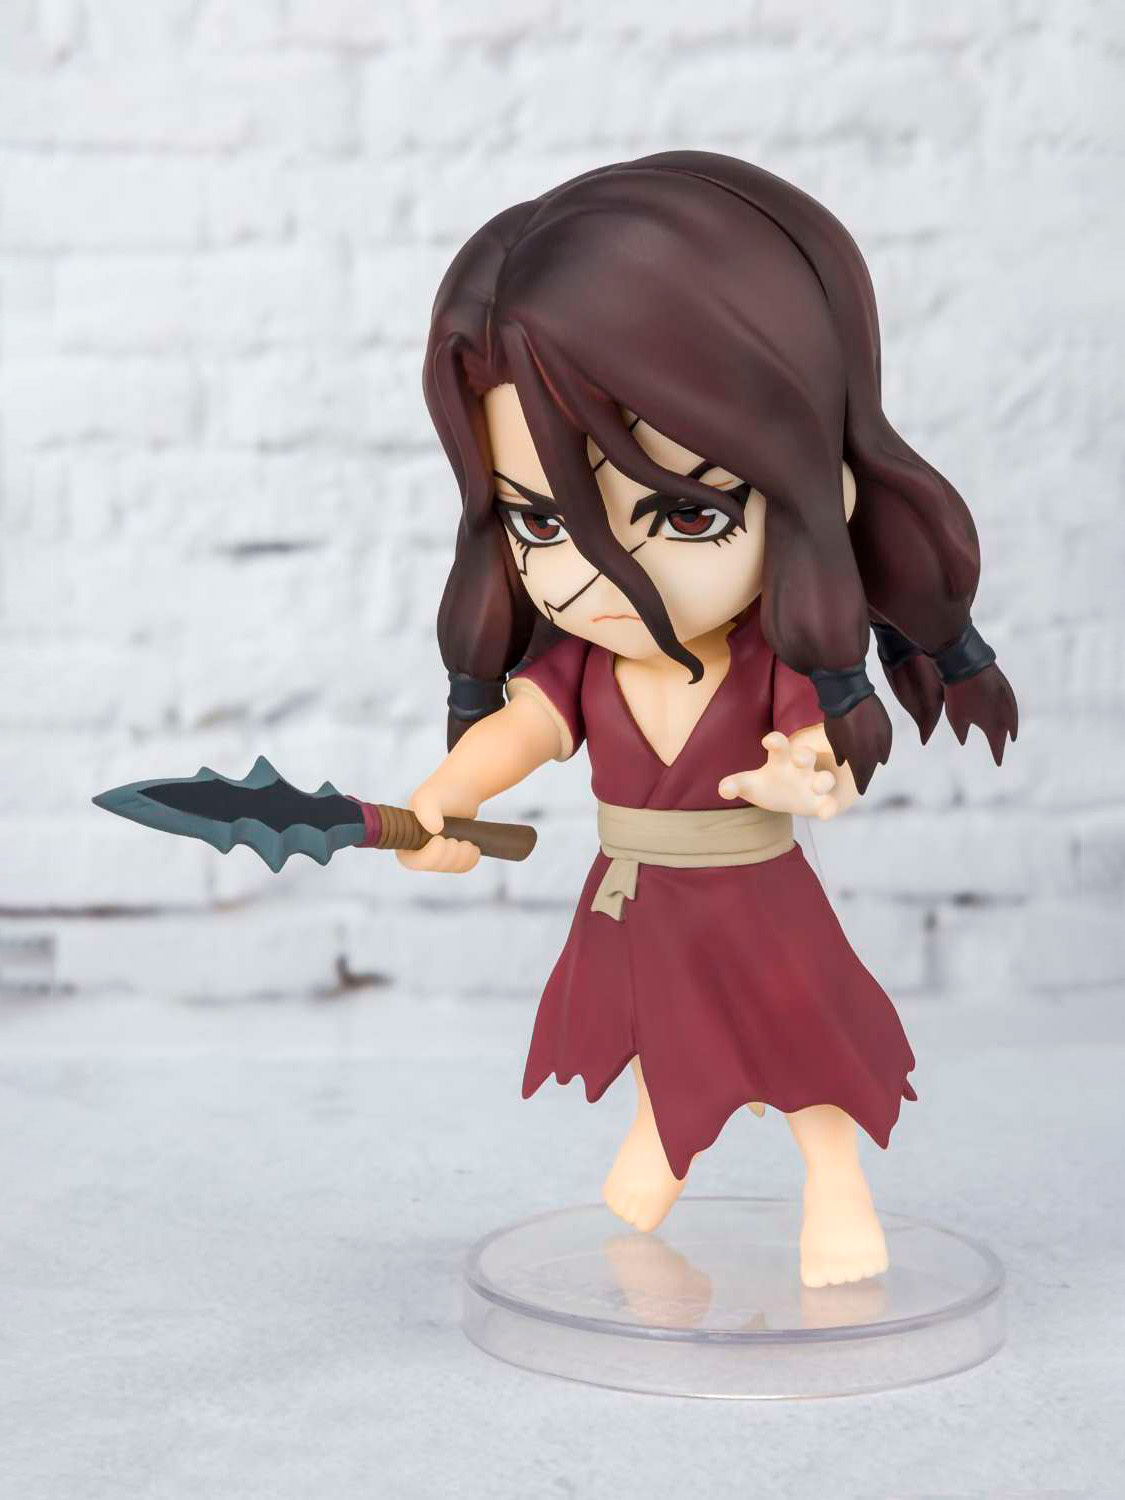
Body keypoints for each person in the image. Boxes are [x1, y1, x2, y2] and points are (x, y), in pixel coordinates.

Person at [399, 151, 1016, 1288]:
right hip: (636, 895)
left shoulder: (773, 657)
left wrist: (807, 775)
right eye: (541, 523)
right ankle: (665, 1137)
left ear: (815, 493)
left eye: (685, 516)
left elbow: (823, 749)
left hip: (753, 896)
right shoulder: (585, 663)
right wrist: (447, 796)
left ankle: (833, 1181)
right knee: (656, 1026)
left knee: (802, 1044)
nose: (596, 575)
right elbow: (523, 728)